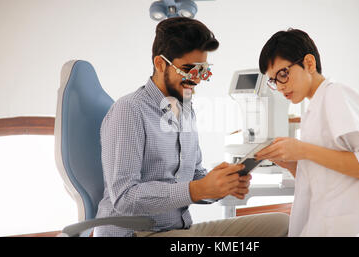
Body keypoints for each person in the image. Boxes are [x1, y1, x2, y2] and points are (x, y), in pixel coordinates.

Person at [93, 17, 289, 237]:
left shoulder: (186, 110)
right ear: (160, 64)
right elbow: (124, 198)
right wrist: (198, 189)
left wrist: (219, 185)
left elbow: (195, 177)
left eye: (202, 70)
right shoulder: (130, 110)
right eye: (188, 69)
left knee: (281, 225)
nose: (196, 79)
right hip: (135, 233)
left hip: (178, 230)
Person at [254, 28, 359, 237]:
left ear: (309, 63)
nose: (280, 87)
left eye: (283, 74)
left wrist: (302, 150)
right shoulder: (314, 109)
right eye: (273, 80)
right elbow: (325, 179)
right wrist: (291, 163)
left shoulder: (337, 95)